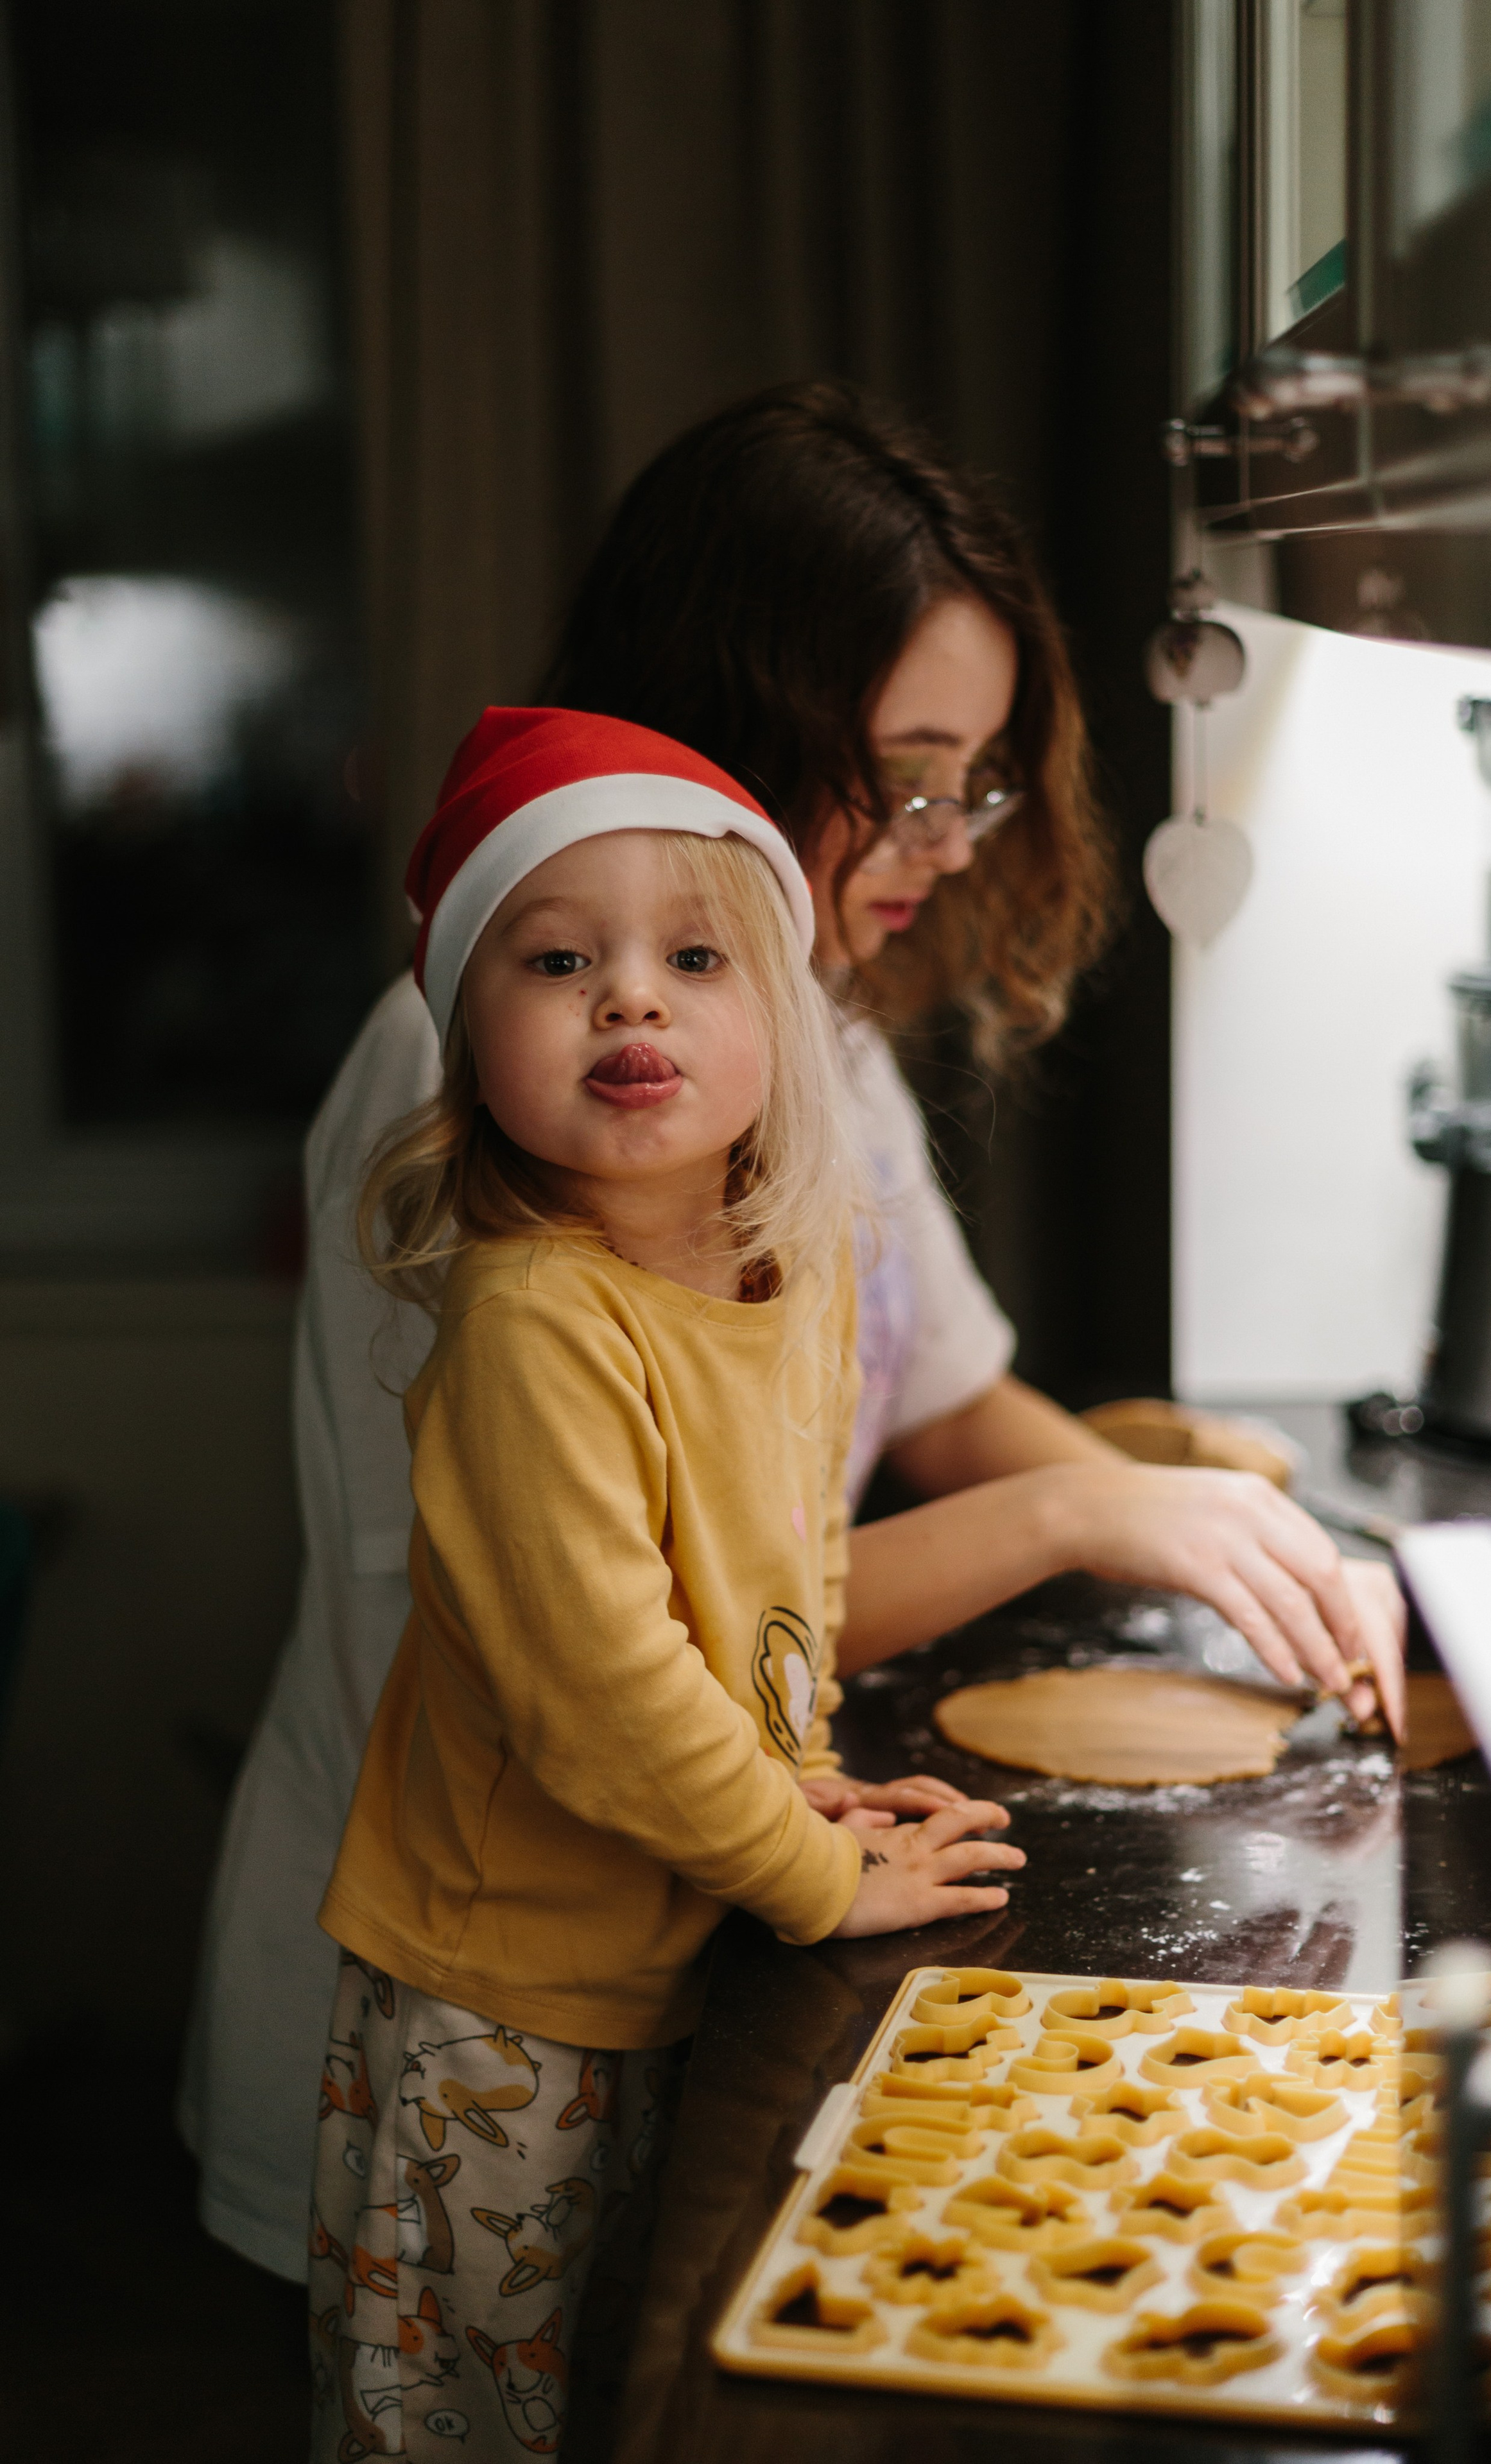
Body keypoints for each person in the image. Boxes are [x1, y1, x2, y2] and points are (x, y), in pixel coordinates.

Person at [180, 379, 1404, 2286]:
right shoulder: (507, 1088)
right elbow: (589, 1647)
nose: (948, 839)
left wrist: (1249, 1554)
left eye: (975, 780)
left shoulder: (785, 1025)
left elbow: (949, 1396)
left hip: (674, 1907)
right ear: (736, 722)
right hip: (475, 1986)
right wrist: (1097, 1522)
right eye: (905, 772)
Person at [307, 706, 1021, 2463]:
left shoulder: (783, 1281)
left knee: (623, 2385)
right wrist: (810, 1873)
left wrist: (804, 1780)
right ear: (472, 1041)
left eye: (694, 958)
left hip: (666, 1931)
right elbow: (607, 1691)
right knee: (479, 2420)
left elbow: (781, 1587)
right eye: (558, 962)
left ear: (781, 1016)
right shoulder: (535, 1323)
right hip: (510, 2006)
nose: (631, 999)